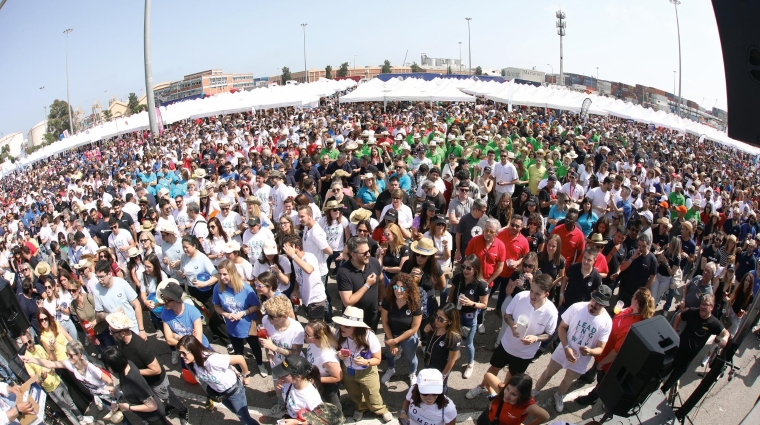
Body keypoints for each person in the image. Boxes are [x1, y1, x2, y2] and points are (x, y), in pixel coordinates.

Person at [467, 274, 557, 399]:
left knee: (512, 375)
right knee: (494, 368)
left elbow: (549, 333)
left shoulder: (551, 312)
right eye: (532, 290)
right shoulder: (520, 297)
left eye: (537, 294)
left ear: (546, 295)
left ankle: (503, 393)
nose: (532, 295)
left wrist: (535, 339)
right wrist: (512, 325)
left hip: (525, 354)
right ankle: (482, 387)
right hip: (507, 345)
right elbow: (507, 315)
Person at [532, 286, 613, 412]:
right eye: (594, 301)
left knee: (567, 381)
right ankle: (535, 390)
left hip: (580, 359)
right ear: (591, 296)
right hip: (563, 351)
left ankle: (559, 395)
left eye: (599, 304)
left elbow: (601, 348)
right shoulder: (577, 307)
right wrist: (566, 347)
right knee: (548, 373)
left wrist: (590, 352)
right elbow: (562, 327)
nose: (594, 305)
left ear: (605, 305)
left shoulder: (607, 321)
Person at [576, 287, 656, 406]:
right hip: (604, 348)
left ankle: (592, 398)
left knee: (603, 380)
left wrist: (603, 362)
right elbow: (622, 314)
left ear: (637, 302)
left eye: (634, 296)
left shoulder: (633, 326)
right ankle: (589, 376)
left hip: (609, 358)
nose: (632, 297)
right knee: (596, 365)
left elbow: (616, 352)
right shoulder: (631, 310)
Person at [177, 335, 260, 425]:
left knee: (245, 420)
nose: (181, 356)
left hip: (234, 392)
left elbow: (240, 358)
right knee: (237, 413)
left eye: (184, 353)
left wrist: (246, 375)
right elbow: (201, 380)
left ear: (193, 350)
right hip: (220, 394)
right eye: (180, 353)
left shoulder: (212, 360)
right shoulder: (191, 364)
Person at [20, 340, 116, 413]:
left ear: (79, 355)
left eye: (70, 355)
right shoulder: (70, 365)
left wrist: (113, 400)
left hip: (110, 395)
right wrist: (31, 359)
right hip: (100, 395)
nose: (68, 357)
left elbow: (109, 380)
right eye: (67, 354)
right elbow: (50, 364)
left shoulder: (90, 368)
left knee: (122, 416)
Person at [661, 294, 730, 395]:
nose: (702, 307)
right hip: (676, 352)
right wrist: (674, 331)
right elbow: (679, 316)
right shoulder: (693, 312)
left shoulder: (713, 323)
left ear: (711, 307)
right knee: (660, 375)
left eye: (706, 305)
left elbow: (726, 333)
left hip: (686, 361)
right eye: (702, 304)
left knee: (668, 385)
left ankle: (662, 391)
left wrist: (725, 338)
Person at [334, 306, 393, 423]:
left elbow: (378, 359)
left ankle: (381, 410)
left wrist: (366, 362)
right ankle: (361, 408)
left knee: (373, 396)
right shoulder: (339, 334)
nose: (342, 328)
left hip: (367, 373)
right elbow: (335, 351)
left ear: (356, 327)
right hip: (348, 372)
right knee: (354, 394)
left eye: (346, 326)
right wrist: (339, 355)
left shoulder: (370, 337)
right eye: (341, 324)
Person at [19, 332, 90, 425]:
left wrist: (52, 366)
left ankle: (81, 419)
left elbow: (49, 359)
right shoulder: (27, 360)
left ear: (32, 339)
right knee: (67, 411)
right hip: (51, 389)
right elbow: (35, 380)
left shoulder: (39, 347)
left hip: (58, 380)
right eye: (25, 344)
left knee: (71, 403)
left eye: (29, 341)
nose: (28, 345)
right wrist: (42, 378)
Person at [213, 259, 266, 375]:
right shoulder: (218, 287)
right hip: (232, 326)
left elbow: (256, 306)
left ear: (232, 272)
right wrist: (226, 314)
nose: (222, 277)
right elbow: (216, 306)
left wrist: (243, 313)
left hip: (248, 324)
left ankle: (260, 364)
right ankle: (243, 369)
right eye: (220, 274)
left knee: (255, 347)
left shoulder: (246, 288)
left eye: (225, 274)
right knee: (238, 350)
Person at [101, 347, 169, 425]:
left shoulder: (134, 382)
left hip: (154, 417)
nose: (107, 368)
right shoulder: (126, 366)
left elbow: (152, 406)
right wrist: (116, 388)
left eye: (108, 366)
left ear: (115, 365)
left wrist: (129, 407)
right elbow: (126, 385)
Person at [259, 295, 305, 413]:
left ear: (284, 316)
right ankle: (281, 404)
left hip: (293, 366)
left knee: (295, 389)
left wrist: (274, 347)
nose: (267, 318)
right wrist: (269, 352)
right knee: (278, 388)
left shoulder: (297, 329)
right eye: (267, 313)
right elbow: (266, 339)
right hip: (277, 365)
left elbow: (295, 354)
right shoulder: (266, 320)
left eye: (271, 316)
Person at [447, 254, 489, 379]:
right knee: (454, 337)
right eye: (463, 267)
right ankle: (456, 354)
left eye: (469, 268)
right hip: (456, 314)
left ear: (475, 269)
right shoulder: (458, 278)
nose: (465, 270)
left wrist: (472, 303)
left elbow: (485, 305)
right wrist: (448, 308)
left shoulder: (481, 285)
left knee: (469, 343)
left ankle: (470, 364)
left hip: (470, 317)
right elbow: (451, 294)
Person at [380, 273, 423, 385]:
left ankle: (412, 373)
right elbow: (384, 321)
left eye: (402, 287)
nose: (398, 290)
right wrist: (392, 341)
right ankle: (390, 369)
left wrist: (396, 341)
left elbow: (414, 328)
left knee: (411, 357)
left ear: (409, 289)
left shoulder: (415, 303)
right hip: (391, 333)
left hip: (408, 336)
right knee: (390, 355)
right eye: (395, 287)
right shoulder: (388, 300)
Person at [337, 237, 384, 330]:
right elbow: (348, 302)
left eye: (369, 250)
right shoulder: (343, 272)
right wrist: (367, 285)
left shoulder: (374, 262)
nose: (368, 254)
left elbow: (381, 281)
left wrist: (380, 302)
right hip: (353, 319)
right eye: (364, 253)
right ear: (353, 254)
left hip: (372, 315)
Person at [93, 259, 147, 339]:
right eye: (98, 277)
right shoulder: (96, 290)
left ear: (109, 274)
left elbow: (137, 305)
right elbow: (98, 313)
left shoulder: (121, 283)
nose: (99, 280)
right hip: (117, 332)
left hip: (132, 328)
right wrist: (111, 315)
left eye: (102, 277)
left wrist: (141, 329)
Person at [160, 279, 210, 365]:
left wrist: (176, 336)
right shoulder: (165, 313)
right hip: (184, 352)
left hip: (201, 348)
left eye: (166, 299)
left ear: (175, 300)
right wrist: (187, 340)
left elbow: (198, 341)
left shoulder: (193, 312)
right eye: (163, 297)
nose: (163, 301)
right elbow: (169, 340)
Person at [282, 235, 327, 320]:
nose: (286, 251)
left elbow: (309, 269)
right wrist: (295, 291)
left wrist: (293, 256)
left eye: (288, 248)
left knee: (315, 328)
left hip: (316, 300)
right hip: (306, 300)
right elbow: (298, 277)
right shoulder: (295, 261)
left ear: (297, 247)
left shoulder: (309, 257)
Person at [476, 373, 549, 425]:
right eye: (507, 389)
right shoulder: (502, 390)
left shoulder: (527, 406)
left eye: (513, 394)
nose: (507, 396)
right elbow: (487, 376)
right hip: (487, 418)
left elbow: (545, 417)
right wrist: (493, 395)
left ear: (522, 396)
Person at [304, 320, 343, 412]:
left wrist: (315, 380)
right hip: (317, 379)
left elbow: (338, 377)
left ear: (319, 338)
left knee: (334, 407)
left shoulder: (327, 357)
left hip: (327, 386)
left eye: (308, 335)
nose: (304, 336)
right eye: (304, 332)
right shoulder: (313, 344)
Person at [272, 354, 324, 420]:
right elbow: (281, 394)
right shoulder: (287, 383)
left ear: (298, 377)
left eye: (284, 375)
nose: (279, 377)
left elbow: (320, 420)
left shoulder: (312, 398)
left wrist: (297, 422)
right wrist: (278, 389)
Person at [617, 234, 658, 307]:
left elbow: (652, 277)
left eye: (643, 246)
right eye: (639, 245)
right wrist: (632, 258)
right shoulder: (632, 253)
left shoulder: (652, 259)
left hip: (636, 294)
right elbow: (622, 267)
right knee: (618, 309)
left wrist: (643, 291)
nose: (640, 248)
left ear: (648, 245)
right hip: (624, 289)